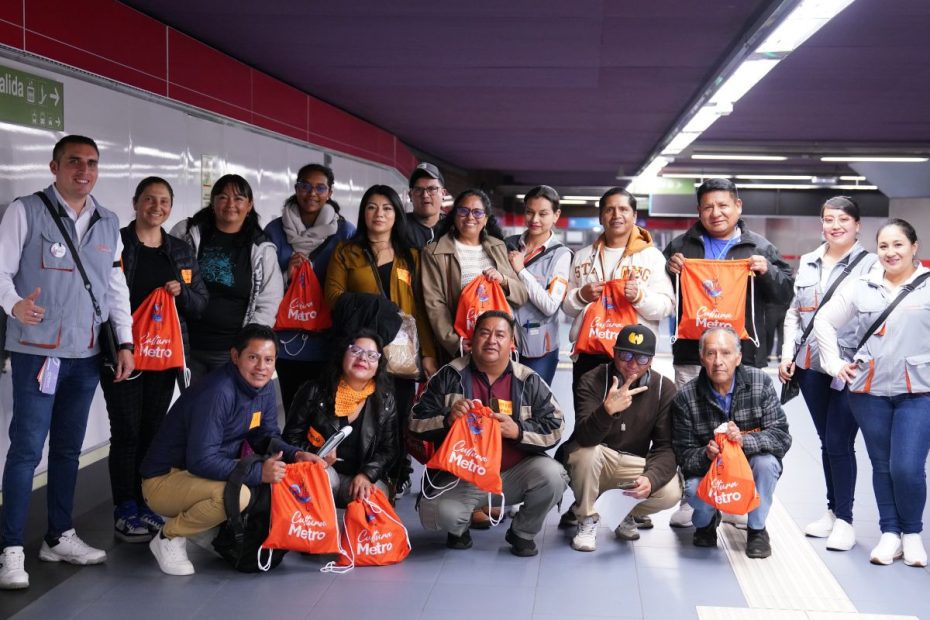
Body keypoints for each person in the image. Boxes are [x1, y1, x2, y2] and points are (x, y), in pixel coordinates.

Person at [0, 135, 135, 589]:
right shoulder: (25, 210)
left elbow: (116, 289)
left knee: (67, 449)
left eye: (92, 163)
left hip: (85, 354)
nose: (84, 170)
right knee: (25, 450)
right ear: (54, 166)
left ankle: (58, 536)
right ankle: (10, 549)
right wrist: (13, 303)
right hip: (37, 352)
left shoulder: (108, 220)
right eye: (74, 162)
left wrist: (126, 342)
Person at [140, 324, 325, 576]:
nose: (261, 367)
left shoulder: (264, 386)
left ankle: (204, 526)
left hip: (199, 476)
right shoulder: (219, 392)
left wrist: (295, 454)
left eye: (268, 359)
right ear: (235, 356)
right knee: (240, 496)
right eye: (253, 357)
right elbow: (201, 461)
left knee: (271, 481)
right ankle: (168, 537)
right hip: (164, 480)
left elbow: (265, 435)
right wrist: (259, 473)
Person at [664, 178, 793, 527]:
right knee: (691, 428)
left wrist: (766, 274)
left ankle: (740, 492)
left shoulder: (760, 247)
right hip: (693, 353)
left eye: (723, 205)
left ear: (738, 206)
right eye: (708, 206)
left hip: (742, 358)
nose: (716, 212)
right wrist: (669, 269)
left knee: (743, 428)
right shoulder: (681, 246)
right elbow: (663, 294)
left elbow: (784, 295)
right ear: (698, 211)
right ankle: (692, 498)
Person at [813, 219, 930, 567]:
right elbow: (824, 320)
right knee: (881, 464)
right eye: (883, 246)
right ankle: (890, 533)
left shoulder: (927, 287)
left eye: (898, 245)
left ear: (914, 247)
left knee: (907, 466)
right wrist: (834, 364)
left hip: (918, 391)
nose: (890, 252)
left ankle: (912, 534)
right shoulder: (861, 287)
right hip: (868, 390)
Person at [101, 177, 209, 543]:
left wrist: (183, 294)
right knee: (126, 432)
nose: (156, 207)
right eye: (149, 199)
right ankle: (124, 506)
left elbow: (200, 302)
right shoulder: (117, 242)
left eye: (164, 201)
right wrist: (116, 346)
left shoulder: (179, 251)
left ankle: (145, 500)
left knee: (151, 432)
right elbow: (104, 297)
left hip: (163, 359)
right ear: (136, 202)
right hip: (125, 355)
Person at [409, 311, 567, 557]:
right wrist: (447, 418)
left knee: (554, 476)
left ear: (511, 343)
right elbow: (415, 420)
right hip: (464, 476)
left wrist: (518, 431)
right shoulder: (450, 375)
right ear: (473, 340)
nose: (492, 340)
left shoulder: (529, 380)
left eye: (500, 334)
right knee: (439, 514)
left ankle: (522, 533)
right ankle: (459, 528)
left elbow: (556, 426)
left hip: (513, 474)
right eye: (485, 333)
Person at [777, 196, 877, 551]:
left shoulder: (872, 266)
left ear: (857, 224)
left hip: (849, 368)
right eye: (829, 219)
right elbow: (794, 314)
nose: (835, 226)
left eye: (843, 220)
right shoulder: (808, 262)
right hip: (811, 367)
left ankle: (846, 520)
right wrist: (788, 354)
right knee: (826, 440)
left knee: (838, 440)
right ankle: (834, 512)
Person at [324, 185, 436, 493]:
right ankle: (355, 477)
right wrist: (381, 308)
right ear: (363, 213)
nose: (379, 214)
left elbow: (423, 311)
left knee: (395, 417)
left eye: (386, 208)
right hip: (359, 351)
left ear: (396, 214)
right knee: (358, 413)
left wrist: (426, 352)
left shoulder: (411, 256)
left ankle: (393, 478)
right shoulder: (346, 251)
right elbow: (333, 297)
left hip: (399, 354)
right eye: (372, 207)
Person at [671, 326, 792, 559]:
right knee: (694, 491)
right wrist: (705, 454)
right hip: (709, 470)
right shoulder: (686, 396)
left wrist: (745, 441)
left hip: (748, 465)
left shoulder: (760, 383)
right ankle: (706, 522)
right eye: (711, 353)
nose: (718, 361)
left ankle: (757, 530)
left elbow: (781, 436)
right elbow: (683, 455)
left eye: (726, 353)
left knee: (767, 464)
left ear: (738, 357)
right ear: (701, 358)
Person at [559, 324, 681, 551]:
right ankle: (586, 516)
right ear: (614, 353)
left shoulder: (664, 388)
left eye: (642, 358)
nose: (633, 364)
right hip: (598, 459)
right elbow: (583, 438)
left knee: (671, 491)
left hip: (632, 465)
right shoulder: (591, 380)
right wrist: (606, 411)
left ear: (651, 361)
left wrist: (651, 479)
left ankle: (622, 511)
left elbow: (666, 447)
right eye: (625, 355)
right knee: (586, 453)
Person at [563, 188, 674, 399]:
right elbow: (567, 308)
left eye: (623, 209)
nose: (616, 215)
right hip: (589, 353)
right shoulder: (582, 257)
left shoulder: (652, 257)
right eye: (609, 210)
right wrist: (581, 296)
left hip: (633, 356)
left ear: (634, 216)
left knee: (629, 427)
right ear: (600, 216)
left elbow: (666, 306)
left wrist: (640, 297)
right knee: (587, 423)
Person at [171, 175, 283, 383]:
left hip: (231, 353)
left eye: (239, 198)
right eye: (223, 197)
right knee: (192, 410)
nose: (231, 204)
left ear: (249, 205)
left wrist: (248, 344)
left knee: (225, 410)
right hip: (187, 347)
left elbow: (269, 301)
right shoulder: (186, 234)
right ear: (212, 202)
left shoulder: (261, 248)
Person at [264, 164, 355, 413]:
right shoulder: (274, 230)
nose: (311, 193)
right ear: (296, 188)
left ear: (330, 192)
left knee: (323, 410)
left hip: (327, 340)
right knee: (293, 406)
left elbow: (350, 281)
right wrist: (287, 275)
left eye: (320, 187)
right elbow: (261, 281)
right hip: (286, 341)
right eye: (305, 185)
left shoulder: (344, 232)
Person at [283, 330, 396, 505]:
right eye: (356, 351)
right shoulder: (314, 391)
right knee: (328, 478)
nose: (363, 358)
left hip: (355, 479)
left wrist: (367, 474)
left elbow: (388, 450)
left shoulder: (385, 402)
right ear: (343, 355)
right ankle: (318, 530)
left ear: (378, 366)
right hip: (318, 472)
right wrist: (316, 454)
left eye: (372, 355)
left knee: (376, 494)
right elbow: (290, 438)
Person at [420, 188, 528, 365]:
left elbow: (521, 296)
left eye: (477, 212)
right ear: (455, 215)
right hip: (463, 347)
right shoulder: (434, 253)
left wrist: (503, 279)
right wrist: (456, 342)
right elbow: (435, 303)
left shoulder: (498, 247)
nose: (470, 217)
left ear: (485, 219)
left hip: (498, 346)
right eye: (463, 211)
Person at [505, 185, 572, 385]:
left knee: (533, 406)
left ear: (556, 215)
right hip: (504, 341)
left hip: (540, 349)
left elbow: (550, 305)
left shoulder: (561, 255)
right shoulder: (508, 244)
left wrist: (521, 271)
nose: (534, 220)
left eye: (543, 214)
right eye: (529, 212)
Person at [406, 162, 448, 249]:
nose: (425, 195)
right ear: (410, 195)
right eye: (418, 189)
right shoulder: (398, 226)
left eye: (432, 189)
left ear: (443, 194)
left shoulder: (453, 227)